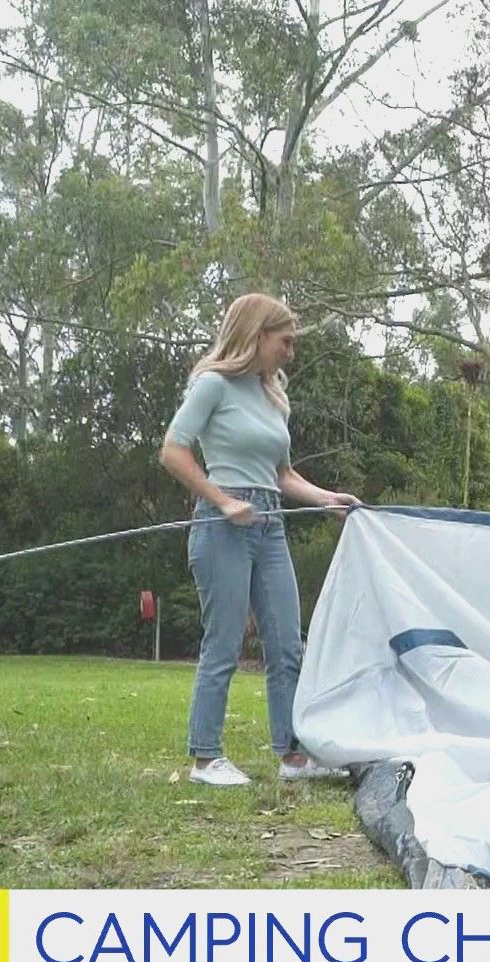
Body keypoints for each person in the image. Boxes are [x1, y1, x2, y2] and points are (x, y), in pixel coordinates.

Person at [160, 293, 361, 786]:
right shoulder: (212, 385)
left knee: (287, 643)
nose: (290, 352)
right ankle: (205, 759)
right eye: (284, 341)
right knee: (224, 643)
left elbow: (282, 474)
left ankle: (293, 758)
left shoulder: (273, 397)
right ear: (256, 334)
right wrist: (223, 500)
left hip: (269, 523)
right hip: (221, 526)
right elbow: (173, 451)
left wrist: (327, 498)